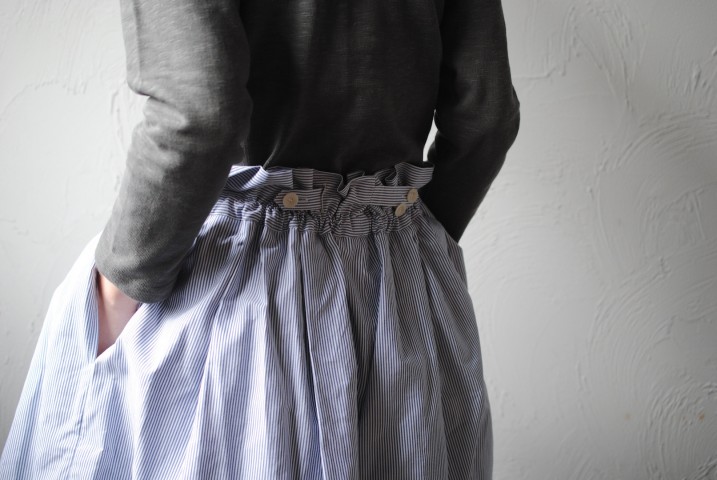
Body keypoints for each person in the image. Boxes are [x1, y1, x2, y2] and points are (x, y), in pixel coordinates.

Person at [0, 0, 520, 477]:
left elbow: (199, 114)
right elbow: (486, 117)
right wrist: (413, 240)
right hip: (400, 284)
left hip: (232, 299)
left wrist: (121, 287)